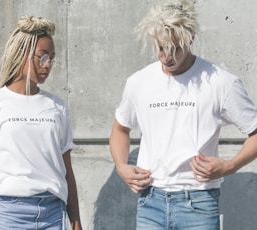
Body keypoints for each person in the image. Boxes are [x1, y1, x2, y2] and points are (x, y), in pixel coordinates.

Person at [109, 0, 257, 229]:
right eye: (160, 48)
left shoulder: (219, 82)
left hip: (198, 204)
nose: (167, 57)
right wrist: (121, 166)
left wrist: (229, 166)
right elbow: (120, 128)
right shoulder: (139, 82)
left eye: (175, 48)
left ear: (191, 38)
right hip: (150, 203)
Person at [0, 15, 82, 230]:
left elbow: (67, 172)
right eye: (42, 57)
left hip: (53, 213)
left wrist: (76, 223)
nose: (48, 64)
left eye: (52, 58)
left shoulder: (58, 107)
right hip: (10, 215)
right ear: (22, 54)